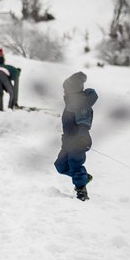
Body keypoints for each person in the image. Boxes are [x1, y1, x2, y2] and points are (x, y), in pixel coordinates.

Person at [54, 71, 98, 201]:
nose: (64, 92)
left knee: (74, 164)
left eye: (65, 89)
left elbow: (84, 121)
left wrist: (83, 136)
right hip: (68, 141)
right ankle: (83, 177)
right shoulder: (70, 103)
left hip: (79, 141)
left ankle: (82, 192)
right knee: (60, 165)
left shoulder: (80, 102)